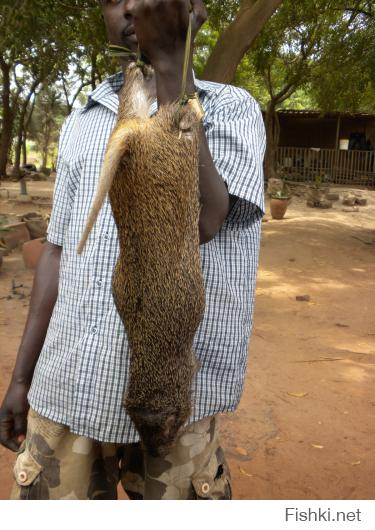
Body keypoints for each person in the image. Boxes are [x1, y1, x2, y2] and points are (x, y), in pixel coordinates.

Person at [0, 0, 265, 500]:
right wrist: (21, 378)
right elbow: (56, 252)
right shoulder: (83, 120)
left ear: (191, 8)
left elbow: (206, 220)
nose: (132, 7)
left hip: (176, 404)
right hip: (69, 385)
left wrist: (170, 62)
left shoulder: (231, 108)